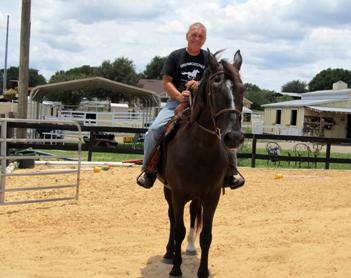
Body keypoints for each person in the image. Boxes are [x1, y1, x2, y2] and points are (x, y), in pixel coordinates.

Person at [137, 22, 245, 189]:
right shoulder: (175, 56)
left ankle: (231, 172)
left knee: (225, 128)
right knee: (154, 130)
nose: (196, 38)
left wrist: (198, 84)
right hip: (176, 102)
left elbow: (214, 82)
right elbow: (166, 83)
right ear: (187, 36)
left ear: (204, 40)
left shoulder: (208, 60)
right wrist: (179, 96)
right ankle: (149, 169)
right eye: (193, 35)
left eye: (200, 36)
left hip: (201, 104)